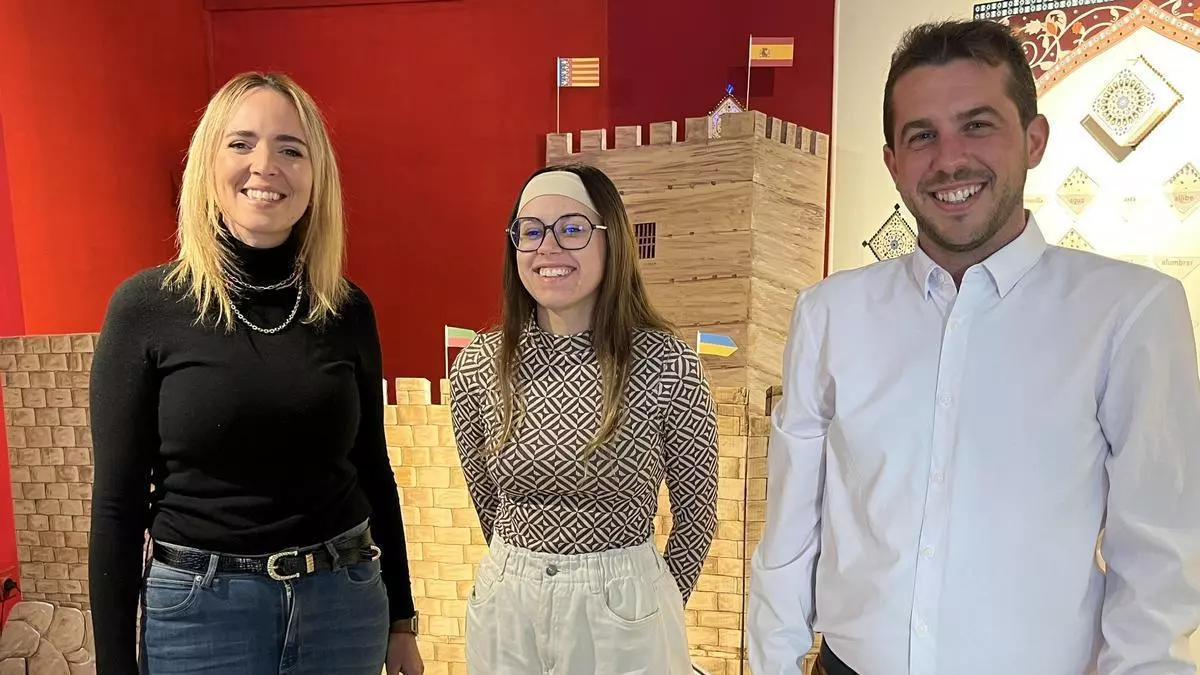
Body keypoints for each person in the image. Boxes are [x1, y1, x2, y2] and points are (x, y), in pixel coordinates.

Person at [748, 19, 1200, 675]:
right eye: (921, 135)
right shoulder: (830, 314)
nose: (949, 159)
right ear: (893, 163)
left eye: (978, 125)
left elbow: (1158, 558)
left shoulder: (1128, 312)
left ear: (1034, 139)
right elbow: (789, 533)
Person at [89, 72, 424, 675]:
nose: (265, 165)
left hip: (343, 605)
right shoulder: (145, 308)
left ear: (316, 177)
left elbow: (373, 467)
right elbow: (117, 504)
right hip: (199, 617)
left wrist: (402, 617)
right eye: (241, 143)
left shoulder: (346, 309)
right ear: (208, 164)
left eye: (291, 149)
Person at [448, 164, 719, 674]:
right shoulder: (480, 365)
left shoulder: (667, 363)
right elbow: (488, 502)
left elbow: (697, 517)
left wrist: (651, 604)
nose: (547, 247)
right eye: (531, 231)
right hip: (509, 605)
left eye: (571, 229)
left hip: (624, 607)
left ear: (611, 239)